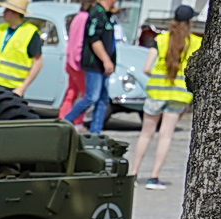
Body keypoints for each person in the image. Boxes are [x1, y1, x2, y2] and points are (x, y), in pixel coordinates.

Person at [129, 4, 198, 188]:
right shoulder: (195, 43)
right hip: (178, 96)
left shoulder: (160, 40)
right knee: (165, 136)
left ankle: (133, 174)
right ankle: (154, 177)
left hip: (156, 93)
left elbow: (146, 68)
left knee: (146, 134)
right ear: (190, 21)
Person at [63, 0, 117, 135]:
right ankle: (66, 120)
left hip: (104, 65)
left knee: (103, 98)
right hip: (94, 64)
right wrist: (105, 60)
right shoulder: (96, 13)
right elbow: (94, 39)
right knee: (91, 96)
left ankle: (96, 131)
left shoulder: (107, 15)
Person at [0, 0, 44, 97]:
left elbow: (38, 62)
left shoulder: (30, 33)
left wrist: (22, 88)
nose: (3, 12)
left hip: (12, 89)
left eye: (7, 10)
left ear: (16, 13)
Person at [57, 0, 89, 117]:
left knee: (72, 92)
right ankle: (77, 120)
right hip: (78, 61)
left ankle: (63, 117)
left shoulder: (78, 17)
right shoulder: (85, 18)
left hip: (71, 60)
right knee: (86, 95)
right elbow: (80, 41)